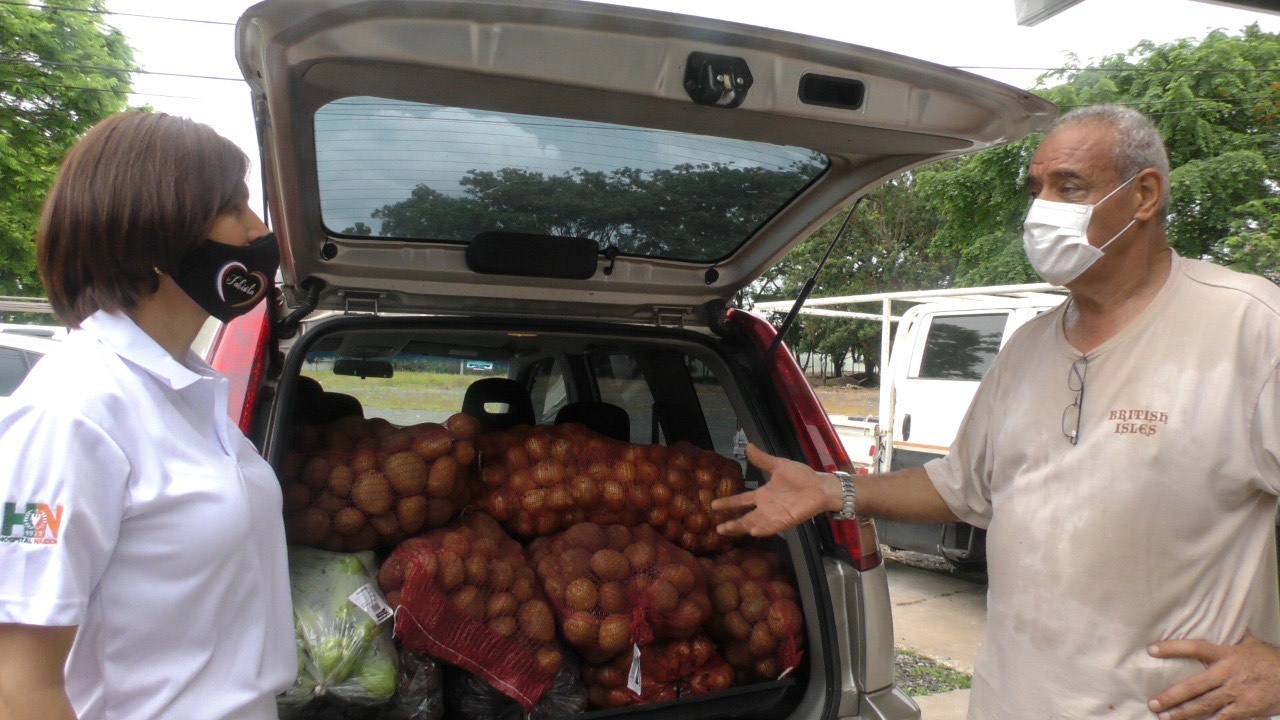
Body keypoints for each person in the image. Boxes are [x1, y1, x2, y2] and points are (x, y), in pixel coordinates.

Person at [713, 104, 1280, 719]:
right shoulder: (1028, 347)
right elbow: (958, 489)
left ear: (1144, 195)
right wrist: (832, 490)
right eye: (1036, 189)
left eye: (1069, 186)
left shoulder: (1247, 327)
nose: (1042, 210)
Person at [0, 112, 295, 719]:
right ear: (158, 231)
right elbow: (18, 685)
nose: (257, 230)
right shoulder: (74, 411)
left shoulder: (183, 390)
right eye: (234, 208)